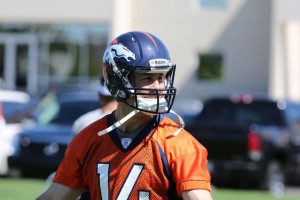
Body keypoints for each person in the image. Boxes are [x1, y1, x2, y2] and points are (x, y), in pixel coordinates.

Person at [36, 31, 212, 200]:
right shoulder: (88, 140)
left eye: (162, 77)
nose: (158, 87)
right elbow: (54, 197)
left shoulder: (179, 144)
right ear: (117, 80)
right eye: (147, 78)